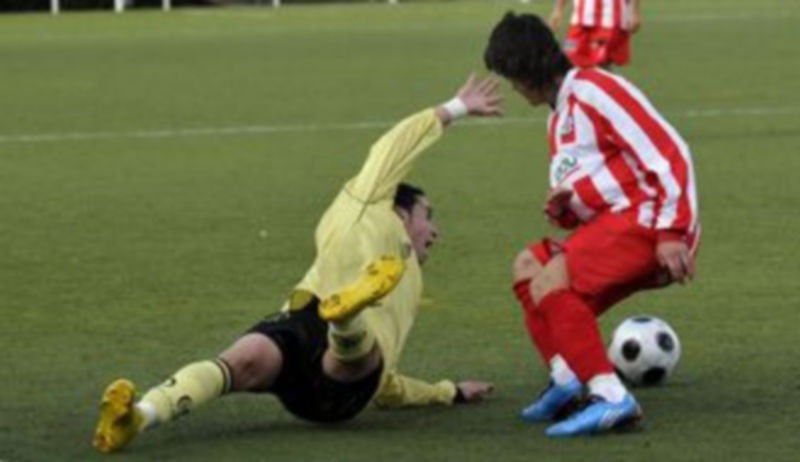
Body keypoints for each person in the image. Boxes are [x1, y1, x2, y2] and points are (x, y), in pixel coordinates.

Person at [92, 74, 501, 453]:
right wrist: (455, 108)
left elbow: (388, 383)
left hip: (348, 384)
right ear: (403, 211)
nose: (436, 231)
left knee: (352, 353)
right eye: (429, 215)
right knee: (245, 358)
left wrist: (448, 391)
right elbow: (392, 147)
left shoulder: (408, 280)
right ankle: (137, 418)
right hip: (304, 330)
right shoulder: (372, 199)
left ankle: (346, 317)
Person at [484, 12, 699, 437]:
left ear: (525, 73)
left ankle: (612, 398)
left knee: (551, 282)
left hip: (650, 220)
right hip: (617, 226)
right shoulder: (557, 118)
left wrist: (672, 233)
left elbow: (669, 151)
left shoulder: (597, 89)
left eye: (510, 78)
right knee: (528, 266)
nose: (512, 88)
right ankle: (569, 381)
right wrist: (565, 209)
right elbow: (589, 197)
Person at [548, 0, 642, 68]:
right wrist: (558, 9)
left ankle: (603, 92)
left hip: (609, 19)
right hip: (580, 18)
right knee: (568, 56)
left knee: (601, 64)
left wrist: (634, 11)